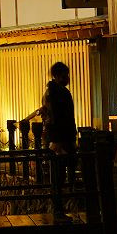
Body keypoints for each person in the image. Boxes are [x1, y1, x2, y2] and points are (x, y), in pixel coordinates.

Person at [41, 62, 77, 214]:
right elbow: (57, 117)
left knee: (59, 174)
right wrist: (57, 140)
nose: (67, 78)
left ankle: (59, 207)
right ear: (56, 76)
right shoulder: (57, 93)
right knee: (60, 174)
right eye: (64, 75)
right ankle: (59, 208)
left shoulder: (52, 92)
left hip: (59, 137)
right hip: (61, 138)